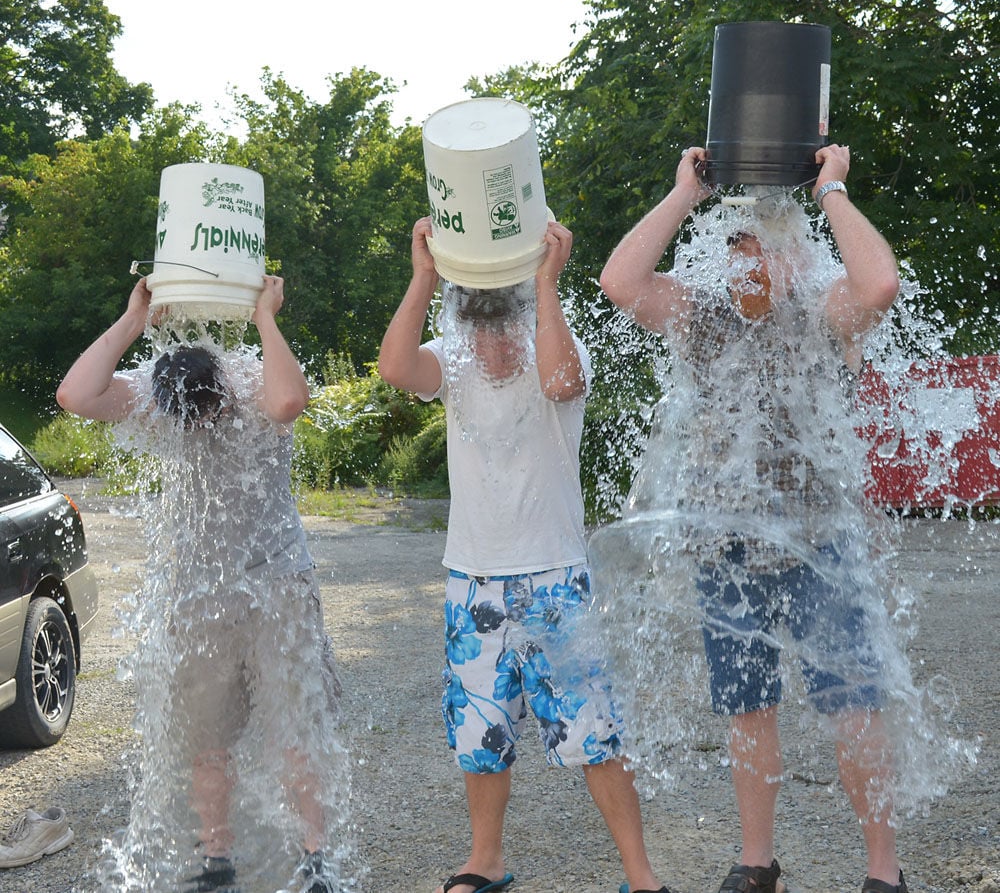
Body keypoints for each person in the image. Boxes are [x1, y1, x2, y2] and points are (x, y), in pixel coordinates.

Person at [597, 143, 908, 893]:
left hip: (817, 540)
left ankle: (883, 871)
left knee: (853, 703)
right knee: (747, 706)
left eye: (757, 251)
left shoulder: (823, 312)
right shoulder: (703, 320)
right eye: (733, 250)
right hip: (725, 543)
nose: (742, 266)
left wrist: (831, 189)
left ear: (790, 256)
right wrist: (684, 196)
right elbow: (617, 282)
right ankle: (757, 862)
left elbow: (882, 282)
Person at [378, 216, 671, 893]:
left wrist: (545, 284)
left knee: (594, 730)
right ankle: (486, 860)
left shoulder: (553, 349)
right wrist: (424, 274)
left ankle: (641, 872)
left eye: (503, 328)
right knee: (480, 734)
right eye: (479, 331)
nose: (491, 344)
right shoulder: (453, 363)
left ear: (524, 321)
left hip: (555, 577)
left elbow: (564, 381)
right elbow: (396, 366)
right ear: (465, 330)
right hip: (473, 579)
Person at [56, 276, 350, 893]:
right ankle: (217, 859)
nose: (193, 428)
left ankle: (314, 858)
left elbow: (291, 402)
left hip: (277, 584)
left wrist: (267, 317)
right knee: (204, 735)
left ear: (222, 395)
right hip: (197, 591)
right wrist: (134, 318)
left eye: (204, 416)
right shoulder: (158, 393)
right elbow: (76, 395)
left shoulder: (249, 382)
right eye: (181, 421)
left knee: (295, 730)